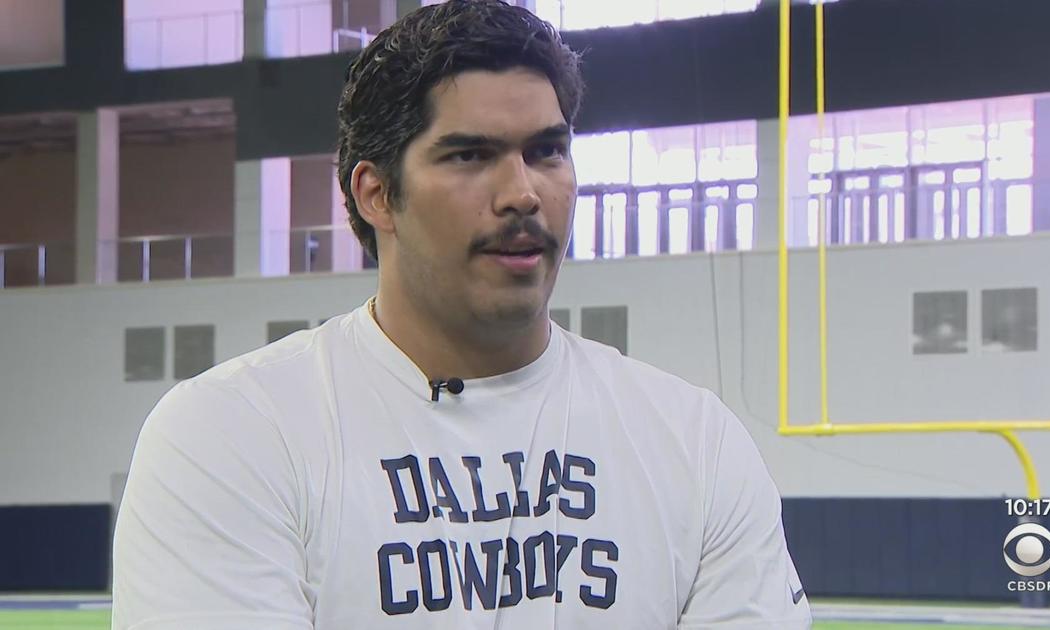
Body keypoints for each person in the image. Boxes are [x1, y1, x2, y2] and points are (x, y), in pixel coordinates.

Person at [111, 1, 811, 628]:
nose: (522, 194)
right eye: (471, 155)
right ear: (377, 195)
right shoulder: (234, 434)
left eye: (548, 151)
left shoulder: (693, 443)